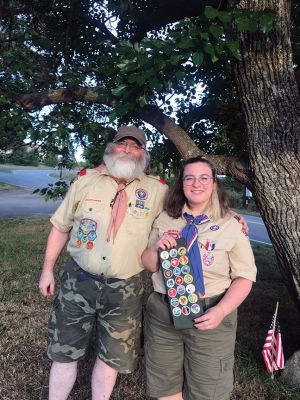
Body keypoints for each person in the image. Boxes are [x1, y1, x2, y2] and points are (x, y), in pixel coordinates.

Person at [38, 125, 168, 400]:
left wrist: (229, 217)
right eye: (123, 144)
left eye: (135, 146)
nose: (128, 150)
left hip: (125, 288)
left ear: (143, 154)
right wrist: (47, 269)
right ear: (112, 148)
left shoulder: (157, 191)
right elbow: (61, 227)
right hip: (78, 280)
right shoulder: (86, 181)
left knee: (111, 359)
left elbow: (193, 207)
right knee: (64, 353)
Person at [141, 156, 257, 400]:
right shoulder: (166, 218)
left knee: (209, 389)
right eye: (189, 178)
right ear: (181, 184)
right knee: (165, 382)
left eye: (204, 178)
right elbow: (150, 265)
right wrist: (156, 249)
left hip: (210, 313)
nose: (196, 184)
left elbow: (245, 277)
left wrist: (222, 310)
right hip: (164, 311)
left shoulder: (231, 224)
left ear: (214, 183)